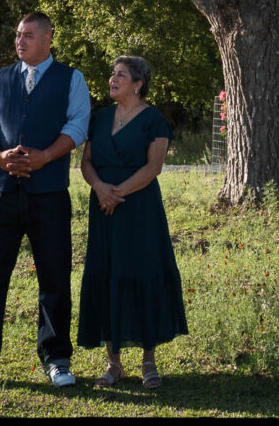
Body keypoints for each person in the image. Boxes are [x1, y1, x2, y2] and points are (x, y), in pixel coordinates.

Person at [0, 12, 91, 392]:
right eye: (17, 35)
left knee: (55, 277)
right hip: (2, 194)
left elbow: (78, 125)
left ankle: (57, 358)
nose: (20, 41)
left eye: (28, 35)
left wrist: (45, 156)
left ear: (48, 38)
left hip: (49, 195)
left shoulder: (72, 79)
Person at [77, 55, 187, 389]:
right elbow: (86, 162)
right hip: (103, 207)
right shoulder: (100, 117)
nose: (113, 79)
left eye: (121, 75)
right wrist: (100, 189)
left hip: (138, 209)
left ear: (138, 84)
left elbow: (154, 167)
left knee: (143, 274)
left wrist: (117, 193)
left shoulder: (153, 119)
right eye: (112, 74)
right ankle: (113, 364)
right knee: (107, 274)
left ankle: (149, 362)